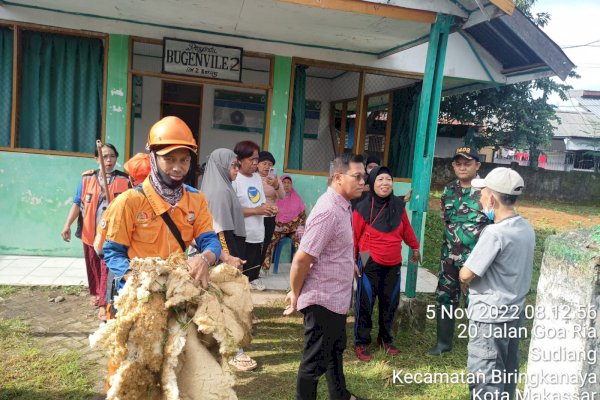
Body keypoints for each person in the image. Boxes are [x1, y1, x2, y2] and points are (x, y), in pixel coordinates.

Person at [101, 116, 221, 291]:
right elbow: (112, 251)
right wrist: (136, 279)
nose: (178, 167)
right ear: (153, 159)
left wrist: (204, 259)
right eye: (169, 159)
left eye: (184, 160)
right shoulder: (130, 201)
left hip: (177, 289)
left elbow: (210, 240)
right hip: (138, 293)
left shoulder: (196, 199)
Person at [284, 154, 366, 400]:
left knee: (334, 351)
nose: (363, 182)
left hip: (335, 296)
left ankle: (340, 396)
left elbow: (332, 247)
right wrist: (295, 293)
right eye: (358, 176)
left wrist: (347, 262)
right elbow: (302, 259)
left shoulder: (342, 204)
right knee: (314, 363)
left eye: (365, 177)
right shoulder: (328, 210)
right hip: (322, 299)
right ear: (338, 178)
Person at [459, 167, 534, 399]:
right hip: (514, 313)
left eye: (482, 193)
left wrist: (465, 279)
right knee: (507, 375)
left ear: (492, 198)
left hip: (490, 318)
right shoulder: (526, 228)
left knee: (487, 380)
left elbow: (465, 274)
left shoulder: (494, 233)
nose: (480, 198)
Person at [352, 166, 421, 362]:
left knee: (389, 302)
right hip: (367, 256)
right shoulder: (362, 207)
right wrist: (352, 259)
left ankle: (385, 339)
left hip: (393, 260)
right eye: (380, 179)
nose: (385, 183)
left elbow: (406, 229)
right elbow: (353, 236)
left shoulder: (398, 206)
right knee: (365, 302)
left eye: (388, 179)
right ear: (372, 183)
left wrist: (415, 247)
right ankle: (361, 341)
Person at [428, 146, 490, 356]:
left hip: (475, 260)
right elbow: (446, 221)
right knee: (445, 298)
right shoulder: (448, 190)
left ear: (477, 165)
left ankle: (480, 347)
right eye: (458, 163)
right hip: (449, 258)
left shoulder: (487, 192)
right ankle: (443, 343)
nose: (462, 167)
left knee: (476, 301)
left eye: (468, 163)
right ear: (454, 165)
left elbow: (496, 227)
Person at [200, 148, 257, 372]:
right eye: (233, 166)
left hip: (226, 247)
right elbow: (218, 230)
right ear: (222, 167)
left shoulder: (223, 186)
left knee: (221, 299)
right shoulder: (220, 192)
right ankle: (233, 350)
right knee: (229, 299)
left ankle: (222, 345)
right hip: (224, 249)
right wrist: (229, 258)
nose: (237, 169)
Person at [61, 143, 130, 321]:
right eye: (105, 156)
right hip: (90, 234)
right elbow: (77, 203)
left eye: (112, 156)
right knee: (93, 267)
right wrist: (67, 225)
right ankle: (97, 294)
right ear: (97, 158)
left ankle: (104, 305)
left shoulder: (125, 180)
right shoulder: (86, 180)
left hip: (111, 237)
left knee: (107, 269)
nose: (109, 160)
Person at [233, 141, 275, 291]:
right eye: (251, 159)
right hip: (241, 233)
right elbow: (232, 210)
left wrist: (268, 209)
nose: (255, 163)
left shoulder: (257, 178)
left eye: (257, 159)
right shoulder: (235, 178)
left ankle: (253, 279)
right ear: (239, 160)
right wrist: (258, 211)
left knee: (254, 261)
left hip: (257, 230)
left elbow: (260, 202)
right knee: (239, 271)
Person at [261, 175, 306, 270]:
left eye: (289, 183)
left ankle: (298, 269)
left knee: (302, 242)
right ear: (280, 184)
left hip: (292, 230)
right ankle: (264, 269)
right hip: (277, 229)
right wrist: (275, 224)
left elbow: (302, 215)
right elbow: (270, 213)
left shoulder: (297, 198)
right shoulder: (275, 198)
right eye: (284, 183)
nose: (286, 185)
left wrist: (301, 227)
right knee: (268, 242)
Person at [256, 151, 285, 270]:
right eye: (264, 163)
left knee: (265, 244)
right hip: (255, 216)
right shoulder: (252, 177)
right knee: (253, 245)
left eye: (270, 164)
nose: (267, 167)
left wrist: (276, 185)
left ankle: (256, 271)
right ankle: (248, 271)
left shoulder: (275, 179)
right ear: (257, 164)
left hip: (269, 217)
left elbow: (282, 196)